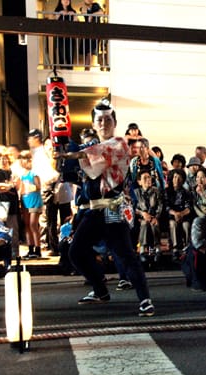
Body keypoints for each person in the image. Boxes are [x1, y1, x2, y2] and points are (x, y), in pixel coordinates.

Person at [58, 98, 155, 317]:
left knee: (125, 255)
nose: (103, 123)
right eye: (99, 120)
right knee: (75, 252)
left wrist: (73, 153)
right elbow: (82, 170)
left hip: (113, 209)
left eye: (108, 119)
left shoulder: (119, 143)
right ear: (93, 124)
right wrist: (61, 151)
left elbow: (92, 158)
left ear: (114, 122)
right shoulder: (89, 147)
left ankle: (145, 299)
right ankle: (100, 289)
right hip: (93, 209)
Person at [0, 150, 20, 259]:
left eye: (4, 158)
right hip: (0, 206)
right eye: (0, 159)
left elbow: (16, 186)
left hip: (13, 206)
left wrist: (7, 186)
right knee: (0, 230)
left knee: (14, 231)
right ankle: (1, 254)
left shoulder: (13, 172)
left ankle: (15, 254)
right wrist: (6, 185)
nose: (3, 161)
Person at [17, 151, 44, 260]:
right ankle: (30, 248)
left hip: (34, 200)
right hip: (25, 200)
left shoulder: (34, 173)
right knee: (27, 225)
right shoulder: (21, 175)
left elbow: (38, 186)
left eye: (27, 159)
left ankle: (38, 249)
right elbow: (20, 188)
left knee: (33, 224)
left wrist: (30, 187)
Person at [133, 170, 163, 260]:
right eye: (145, 178)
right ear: (139, 182)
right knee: (144, 224)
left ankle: (154, 250)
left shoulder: (156, 191)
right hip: (140, 219)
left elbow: (160, 206)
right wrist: (142, 214)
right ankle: (142, 250)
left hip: (154, 217)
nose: (148, 180)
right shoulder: (136, 192)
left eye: (149, 177)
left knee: (153, 224)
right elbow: (132, 207)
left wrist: (155, 217)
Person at [165, 168, 192, 258]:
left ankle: (187, 248)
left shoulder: (186, 192)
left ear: (183, 180)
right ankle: (175, 248)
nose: (177, 180)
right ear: (171, 178)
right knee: (173, 224)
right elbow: (166, 206)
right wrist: (175, 214)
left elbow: (188, 207)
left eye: (179, 178)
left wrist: (181, 214)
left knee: (186, 225)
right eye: (175, 177)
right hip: (171, 216)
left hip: (184, 215)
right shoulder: (167, 192)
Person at [79, 0, 104, 70]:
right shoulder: (83, 7)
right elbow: (83, 12)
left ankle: (88, 68)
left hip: (96, 31)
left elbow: (101, 12)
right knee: (87, 52)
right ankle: (87, 68)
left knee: (92, 50)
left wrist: (92, 15)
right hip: (87, 31)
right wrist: (85, 5)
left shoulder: (96, 5)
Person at [53, 0, 76, 69]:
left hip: (71, 37)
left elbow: (76, 23)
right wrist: (59, 13)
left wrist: (74, 15)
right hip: (60, 37)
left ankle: (70, 70)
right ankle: (62, 70)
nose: (66, 0)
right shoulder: (57, 10)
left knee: (70, 56)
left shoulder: (73, 11)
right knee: (61, 55)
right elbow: (53, 20)